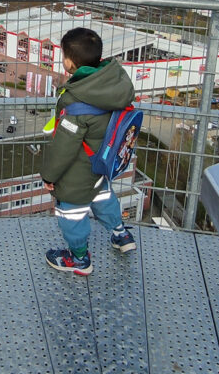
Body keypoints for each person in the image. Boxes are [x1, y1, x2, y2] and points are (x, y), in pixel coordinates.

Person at [42, 27, 137, 276]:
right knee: (103, 197)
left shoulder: (77, 103)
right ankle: (121, 235)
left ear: (69, 63)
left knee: (71, 214)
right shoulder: (113, 82)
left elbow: (64, 148)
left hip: (78, 171)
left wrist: (49, 175)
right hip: (101, 163)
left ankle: (80, 259)